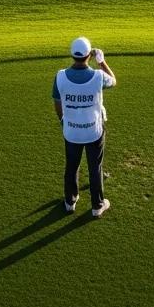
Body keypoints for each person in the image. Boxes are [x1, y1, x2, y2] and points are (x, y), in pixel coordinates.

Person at [53, 36, 117, 217]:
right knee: (95, 167)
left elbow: (57, 102)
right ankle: (97, 206)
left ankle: (70, 202)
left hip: (71, 130)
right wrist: (102, 61)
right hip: (93, 131)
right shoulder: (98, 76)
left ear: (72, 55)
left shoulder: (60, 77)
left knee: (71, 166)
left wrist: (62, 121)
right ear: (89, 55)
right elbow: (113, 80)